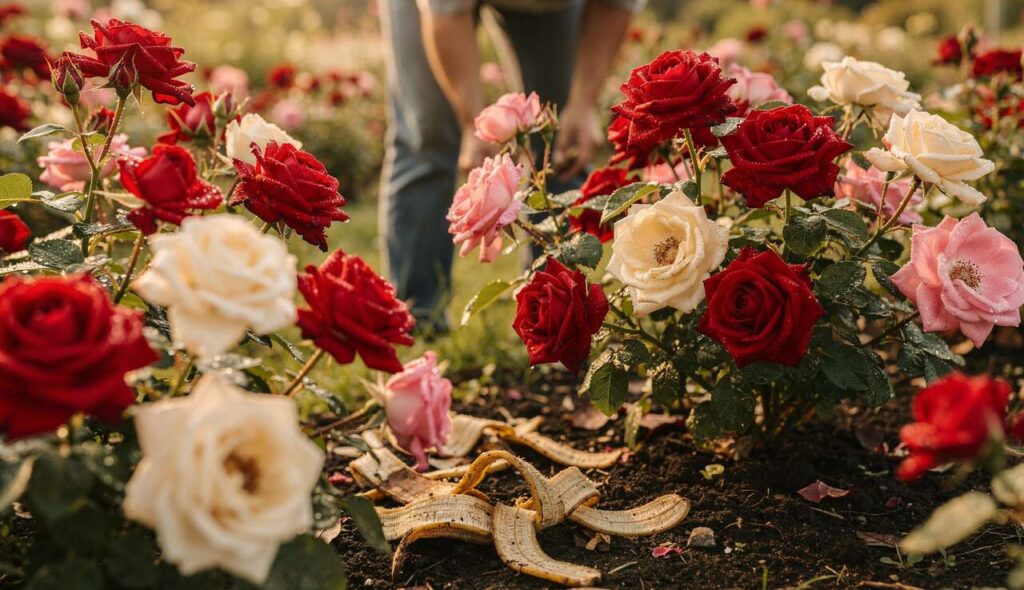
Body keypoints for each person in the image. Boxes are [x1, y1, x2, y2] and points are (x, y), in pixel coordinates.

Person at [379, 0, 642, 332]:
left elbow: (614, 6)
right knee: (427, 137)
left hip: (552, 10)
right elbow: (447, 16)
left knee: (559, 140)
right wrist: (470, 123)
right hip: (440, 10)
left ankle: (556, 325)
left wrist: (583, 102)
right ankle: (416, 320)